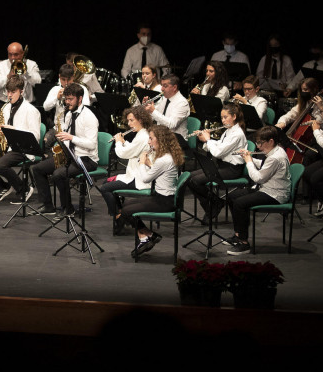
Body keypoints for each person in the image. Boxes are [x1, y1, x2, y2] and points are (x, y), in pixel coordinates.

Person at [33, 83, 99, 216]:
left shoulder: (89, 117)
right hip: (70, 155)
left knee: (59, 174)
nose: (67, 102)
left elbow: (91, 144)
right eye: (66, 99)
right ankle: (48, 206)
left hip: (86, 159)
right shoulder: (68, 115)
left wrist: (71, 138)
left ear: (80, 99)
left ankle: (68, 209)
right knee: (38, 168)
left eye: (70, 99)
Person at [226, 126, 291, 255]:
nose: (258, 147)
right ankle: (238, 233)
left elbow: (258, 178)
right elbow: (264, 167)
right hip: (267, 189)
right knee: (232, 196)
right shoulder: (274, 151)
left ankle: (244, 243)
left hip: (275, 194)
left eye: (261, 143)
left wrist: (248, 161)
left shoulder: (276, 157)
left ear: (271, 141)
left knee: (240, 203)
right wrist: (249, 157)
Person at [0, 76, 41, 203]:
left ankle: (24, 189)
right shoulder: (5, 108)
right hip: (7, 145)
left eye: (13, 92)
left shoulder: (31, 111)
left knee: (0, 165)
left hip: (23, 148)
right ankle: (2, 186)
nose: (9, 95)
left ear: (21, 92)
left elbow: (35, 136)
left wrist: (14, 129)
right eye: (8, 92)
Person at [123, 125, 183, 258]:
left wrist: (142, 162)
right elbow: (159, 173)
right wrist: (150, 165)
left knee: (126, 212)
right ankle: (146, 236)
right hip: (163, 197)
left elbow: (145, 179)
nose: (149, 142)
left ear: (160, 140)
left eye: (151, 138)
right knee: (126, 205)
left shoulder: (163, 160)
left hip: (164, 201)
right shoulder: (168, 156)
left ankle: (147, 236)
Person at [186, 102, 248, 221]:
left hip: (232, 169)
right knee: (189, 177)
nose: (223, 121)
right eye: (222, 118)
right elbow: (219, 145)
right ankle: (214, 203)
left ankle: (214, 204)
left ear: (234, 116)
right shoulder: (228, 130)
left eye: (225, 117)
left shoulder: (237, 134)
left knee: (196, 181)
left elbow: (218, 152)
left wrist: (208, 140)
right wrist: (206, 140)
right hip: (222, 166)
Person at [99, 106, 153, 232]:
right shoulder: (141, 134)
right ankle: (121, 215)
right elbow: (134, 150)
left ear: (140, 119)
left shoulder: (143, 136)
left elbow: (123, 154)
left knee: (105, 188)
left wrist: (118, 142)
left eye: (131, 120)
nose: (129, 124)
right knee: (106, 183)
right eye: (128, 121)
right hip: (134, 174)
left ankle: (120, 217)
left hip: (140, 178)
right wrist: (124, 142)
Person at [0, 42, 41, 131]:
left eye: (16, 55)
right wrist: (8, 76)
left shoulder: (31, 64)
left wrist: (26, 73)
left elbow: (38, 82)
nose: (12, 58)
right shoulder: (1, 65)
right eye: (10, 54)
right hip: (4, 101)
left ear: (22, 53)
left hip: (26, 102)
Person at [144, 74, 190, 143]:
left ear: (174, 87)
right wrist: (148, 110)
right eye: (162, 85)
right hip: (162, 136)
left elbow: (171, 125)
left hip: (176, 140)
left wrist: (153, 111)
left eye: (165, 86)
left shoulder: (182, 103)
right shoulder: (164, 98)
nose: (162, 89)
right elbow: (155, 118)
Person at [43, 64, 90, 128]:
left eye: (69, 79)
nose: (66, 83)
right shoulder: (55, 89)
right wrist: (57, 98)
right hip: (58, 128)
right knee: (46, 138)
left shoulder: (82, 89)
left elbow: (86, 108)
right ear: (59, 77)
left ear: (73, 77)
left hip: (76, 127)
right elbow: (45, 107)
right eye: (63, 79)